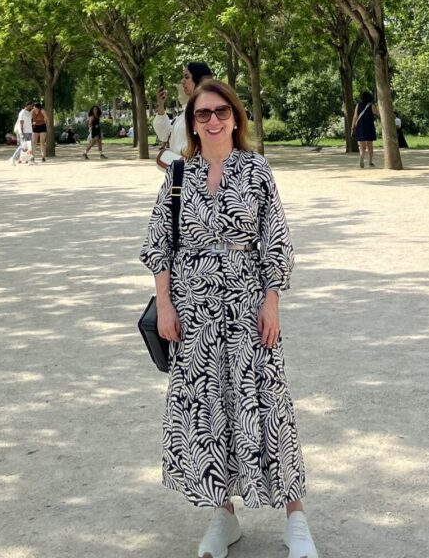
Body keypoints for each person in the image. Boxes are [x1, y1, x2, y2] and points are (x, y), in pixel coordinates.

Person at [141, 77, 319, 558]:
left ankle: (295, 516)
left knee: (267, 402)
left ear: (236, 118)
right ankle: (223, 514)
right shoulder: (178, 175)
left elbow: (276, 239)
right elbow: (159, 246)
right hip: (194, 309)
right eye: (203, 114)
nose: (214, 120)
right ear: (192, 123)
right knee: (206, 407)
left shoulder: (256, 170)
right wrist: (165, 305)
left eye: (222, 111)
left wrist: (272, 300)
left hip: (247, 306)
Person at [153, 62, 210, 168]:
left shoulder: (207, 111)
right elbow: (164, 135)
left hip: (194, 175)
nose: (182, 81)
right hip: (180, 174)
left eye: (187, 77)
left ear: (199, 79)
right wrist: (161, 105)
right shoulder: (186, 112)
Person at [351, 91, 377, 168]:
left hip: (360, 126)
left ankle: (362, 156)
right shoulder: (371, 105)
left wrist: (352, 128)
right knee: (370, 145)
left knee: (362, 146)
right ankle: (370, 162)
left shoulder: (358, 105)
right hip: (369, 126)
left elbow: (355, 117)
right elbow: (377, 113)